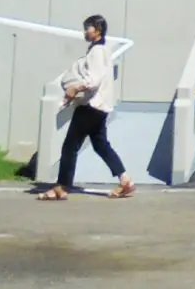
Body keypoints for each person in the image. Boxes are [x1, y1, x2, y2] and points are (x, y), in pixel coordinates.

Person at [40, 15, 134, 201]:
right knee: (101, 145)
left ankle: (62, 187)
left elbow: (94, 80)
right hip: (99, 107)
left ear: (98, 30)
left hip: (91, 106)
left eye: (88, 28)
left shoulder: (98, 51)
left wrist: (76, 87)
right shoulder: (99, 51)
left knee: (70, 146)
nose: (85, 32)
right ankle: (125, 181)